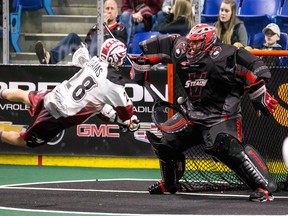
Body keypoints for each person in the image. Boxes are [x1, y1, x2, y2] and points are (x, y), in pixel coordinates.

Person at [131, 23, 278, 202]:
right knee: (164, 141)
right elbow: (154, 46)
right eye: (190, 42)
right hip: (192, 115)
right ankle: (169, 184)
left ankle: (263, 186)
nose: (190, 46)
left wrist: (260, 94)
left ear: (208, 42)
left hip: (222, 117)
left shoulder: (225, 54)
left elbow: (256, 66)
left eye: (196, 43)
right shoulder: (181, 48)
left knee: (226, 146)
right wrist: (141, 65)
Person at [0, 38, 139, 148]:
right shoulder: (113, 83)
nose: (121, 62)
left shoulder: (94, 61)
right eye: (120, 58)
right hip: (59, 115)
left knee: (26, 96)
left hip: (54, 95)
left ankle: (1, 91)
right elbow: (126, 112)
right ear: (115, 59)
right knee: (26, 140)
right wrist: (129, 120)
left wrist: (123, 121)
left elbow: (99, 106)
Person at [35, 0, 127, 64]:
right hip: (87, 58)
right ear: (102, 11)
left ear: (117, 12)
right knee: (72, 37)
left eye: (112, 8)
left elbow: (118, 48)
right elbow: (87, 43)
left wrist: (105, 28)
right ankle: (50, 59)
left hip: (104, 61)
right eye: (107, 8)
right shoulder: (95, 27)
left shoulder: (121, 29)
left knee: (97, 40)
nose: (109, 11)